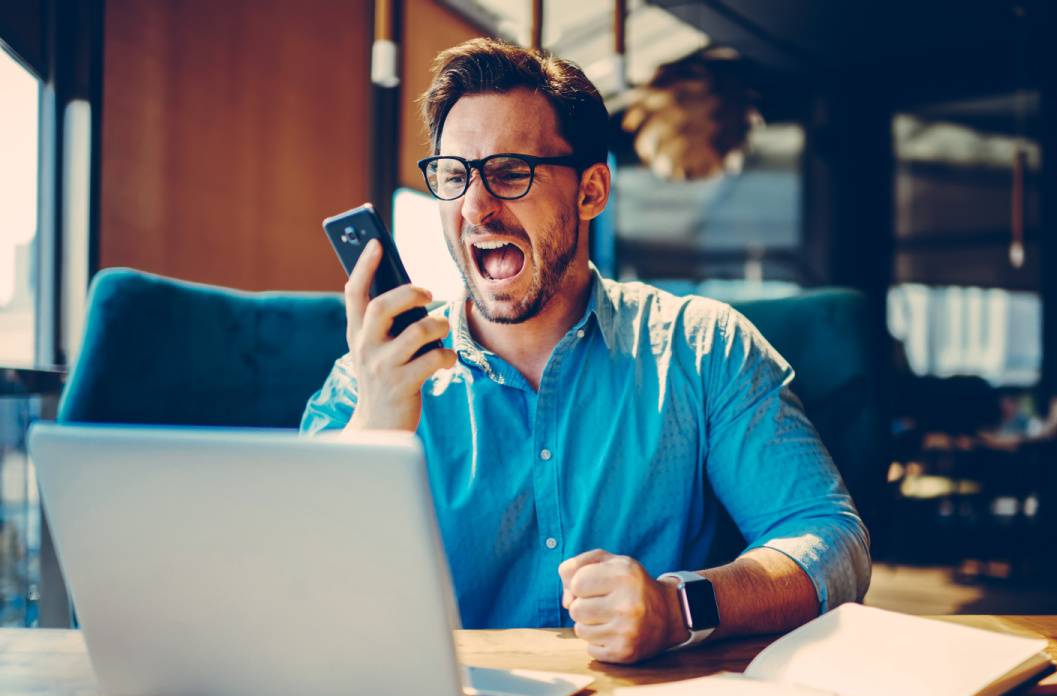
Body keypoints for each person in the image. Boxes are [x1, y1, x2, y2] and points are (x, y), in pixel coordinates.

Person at [301, 38, 870, 663]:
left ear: (592, 191)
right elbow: (293, 593)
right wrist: (376, 435)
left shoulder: (706, 349)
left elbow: (832, 542)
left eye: (510, 172)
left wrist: (678, 608)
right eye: (455, 175)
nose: (474, 207)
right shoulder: (369, 379)